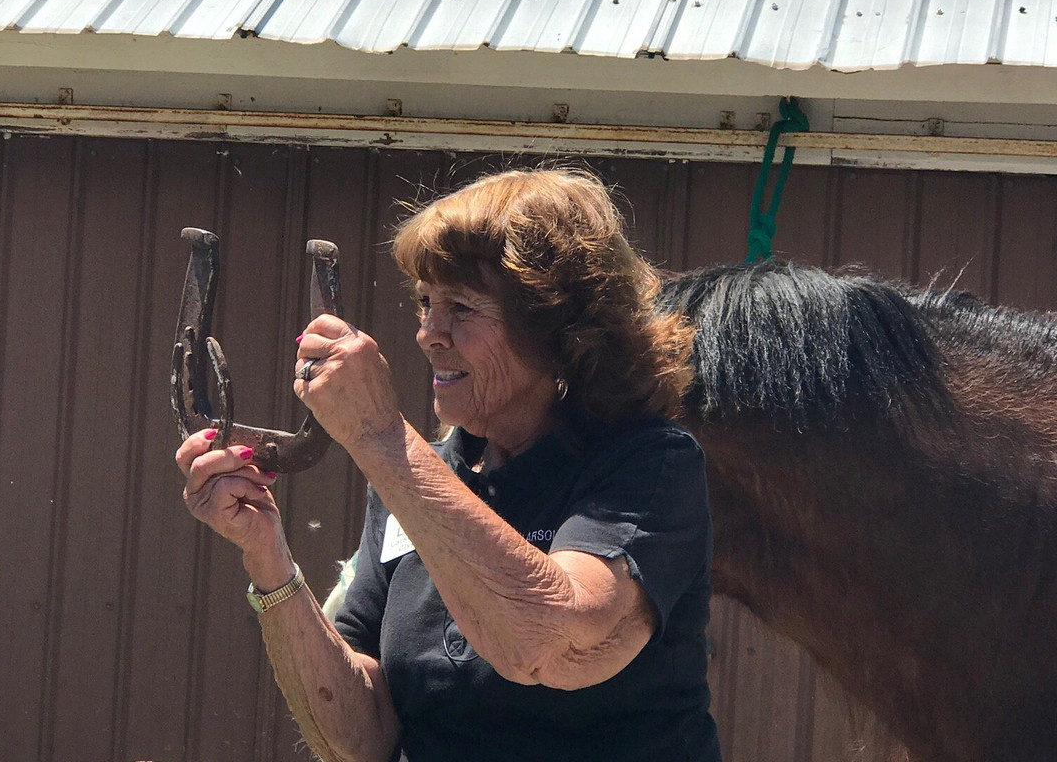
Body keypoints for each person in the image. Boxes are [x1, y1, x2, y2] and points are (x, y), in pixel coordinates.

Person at [175, 168, 722, 762]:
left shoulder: (648, 465)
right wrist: (268, 558)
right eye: (424, 303)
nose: (427, 335)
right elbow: (360, 739)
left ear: (557, 329)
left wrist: (381, 436)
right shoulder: (417, 474)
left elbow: (542, 647)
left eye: (459, 308)